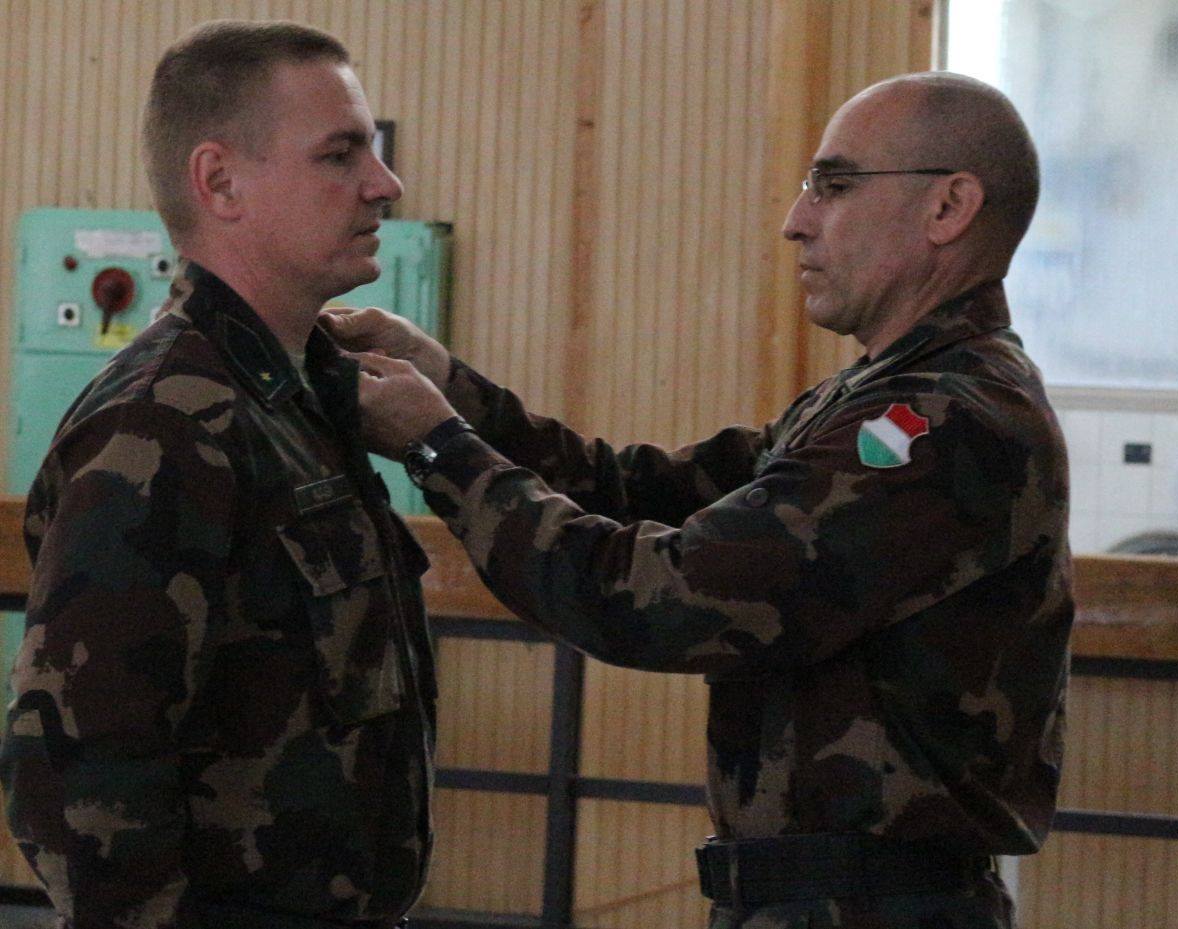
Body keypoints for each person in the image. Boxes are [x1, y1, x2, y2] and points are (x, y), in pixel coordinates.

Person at [330, 72, 1072, 929]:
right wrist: (452, 390)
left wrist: (438, 447)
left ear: (947, 207)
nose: (796, 220)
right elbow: (640, 491)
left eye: (833, 186)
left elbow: (659, 596)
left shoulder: (946, 423)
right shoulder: (877, 397)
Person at [0, 20, 435, 929]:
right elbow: (81, 778)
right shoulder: (162, 421)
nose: (384, 184)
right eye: (339, 154)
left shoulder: (286, 400)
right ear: (221, 182)